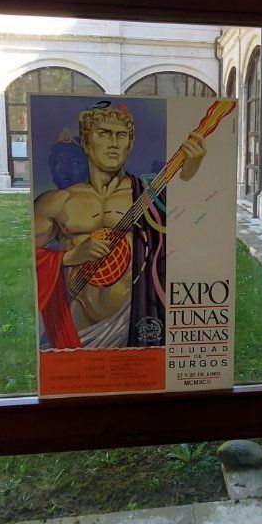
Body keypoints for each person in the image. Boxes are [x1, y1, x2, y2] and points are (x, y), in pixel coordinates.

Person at [33, 100, 205, 350]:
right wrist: (70, 256)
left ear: (130, 144)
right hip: (78, 325)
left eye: (121, 135)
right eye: (103, 134)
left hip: (137, 319)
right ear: (86, 143)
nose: (114, 143)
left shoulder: (150, 195)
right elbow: (28, 262)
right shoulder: (57, 201)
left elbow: (193, 225)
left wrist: (190, 172)